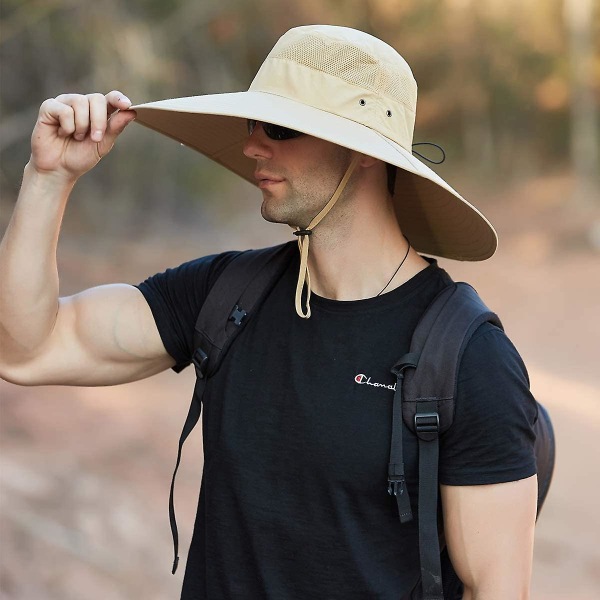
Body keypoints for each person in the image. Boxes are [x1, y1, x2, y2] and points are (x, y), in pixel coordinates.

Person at [0, 25, 538, 599]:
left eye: (279, 128)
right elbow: (28, 348)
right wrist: (48, 180)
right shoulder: (228, 295)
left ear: (361, 152)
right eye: (251, 125)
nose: (253, 146)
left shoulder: (468, 361)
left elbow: (498, 589)